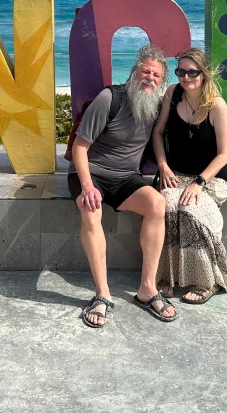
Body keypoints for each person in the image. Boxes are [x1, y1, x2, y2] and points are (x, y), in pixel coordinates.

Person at [69, 44, 178, 328]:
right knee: (91, 210)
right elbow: (80, 147)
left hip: (125, 176)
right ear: (134, 72)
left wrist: (165, 166)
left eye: (156, 75)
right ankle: (102, 294)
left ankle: (147, 289)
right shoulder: (110, 98)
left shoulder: (156, 107)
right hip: (90, 173)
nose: (149, 78)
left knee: (157, 203)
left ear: (161, 82)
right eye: (145, 71)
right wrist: (87, 186)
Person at [151, 47, 227, 304]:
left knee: (190, 210)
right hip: (175, 174)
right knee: (167, 205)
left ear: (204, 74)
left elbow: (224, 154)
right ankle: (168, 276)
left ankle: (207, 281)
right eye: (180, 72)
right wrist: (162, 165)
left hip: (210, 178)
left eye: (192, 72)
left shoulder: (216, 105)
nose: (186, 77)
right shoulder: (172, 94)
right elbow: (158, 133)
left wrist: (199, 182)